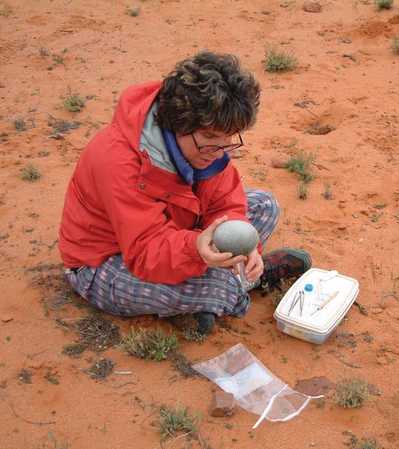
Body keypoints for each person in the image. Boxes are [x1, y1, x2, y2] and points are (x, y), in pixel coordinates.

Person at [58, 51, 311, 335]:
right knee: (224, 290)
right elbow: (144, 251)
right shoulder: (117, 159)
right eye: (210, 140)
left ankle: (223, 283)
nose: (220, 153)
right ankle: (237, 284)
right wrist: (196, 249)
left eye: (228, 141)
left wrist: (245, 245)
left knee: (265, 206)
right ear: (178, 123)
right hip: (105, 262)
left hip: (176, 227)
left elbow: (224, 201)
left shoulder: (211, 146)